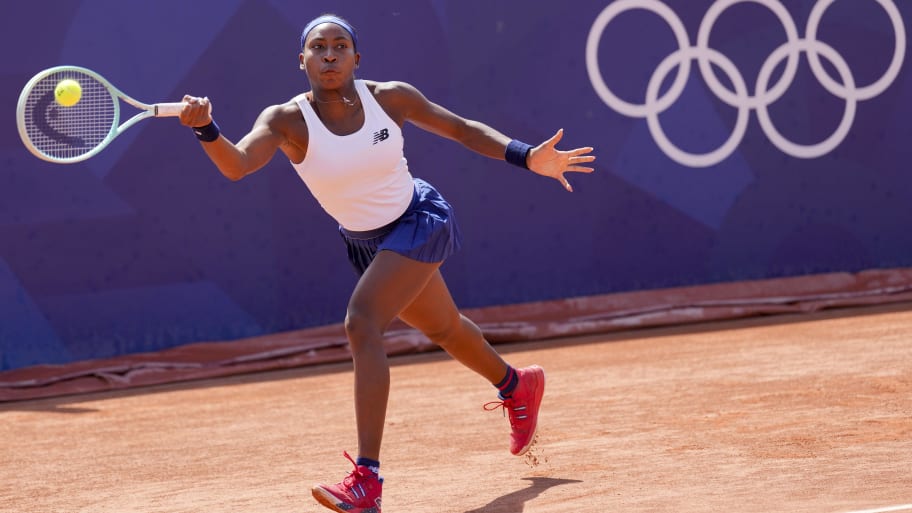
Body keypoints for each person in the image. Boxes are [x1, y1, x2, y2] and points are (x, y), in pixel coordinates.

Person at [179, 13, 595, 513]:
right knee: (444, 328)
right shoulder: (284, 120)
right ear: (302, 60)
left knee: (362, 323)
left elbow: (461, 130)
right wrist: (205, 129)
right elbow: (237, 165)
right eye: (318, 47)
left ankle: (366, 481)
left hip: (420, 218)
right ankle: (516, 384)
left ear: (357, 57)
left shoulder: (391, 97)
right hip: (366, 242)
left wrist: (527, 156)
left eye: (339, 46)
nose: (329, 55)